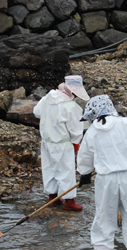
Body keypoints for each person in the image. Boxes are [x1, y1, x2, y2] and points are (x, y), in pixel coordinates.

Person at [77, 95, 127, 250]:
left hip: (106, 178)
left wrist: (85, 174)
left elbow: (85, 156)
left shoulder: (92, 131)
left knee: (104, 215)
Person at [33, 75, 89, 211]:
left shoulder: (48, 97)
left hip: (46, 141)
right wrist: (76, 143)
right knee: (66, 171)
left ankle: (53, 198)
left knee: (49, 168)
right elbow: (75, 129)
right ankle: (69, 201)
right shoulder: (71, 107)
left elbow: (36, 112)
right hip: (62, 143)